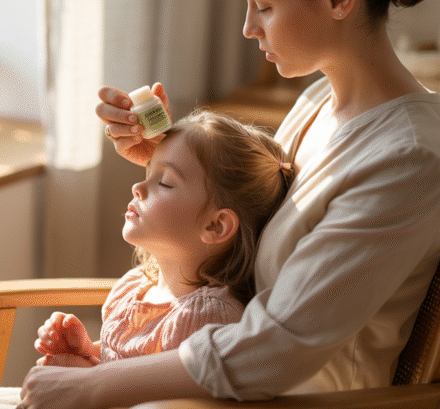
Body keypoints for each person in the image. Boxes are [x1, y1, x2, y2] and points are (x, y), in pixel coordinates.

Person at [0, 0, 440, 407]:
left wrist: (95, 386)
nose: (248, 28)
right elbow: (248, 216)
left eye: (262, 6)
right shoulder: (320, 105)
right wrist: (166, 161)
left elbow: (279, 348)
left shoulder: (406, 160)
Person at [34, 110, 293, 369]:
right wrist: (86, 352)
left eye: (166, 182)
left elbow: (167, 400)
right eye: (148, 173)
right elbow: (121, 371)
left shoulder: (207, 320)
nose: (138, 187)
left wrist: (84, 380)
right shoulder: (133, 287)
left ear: (216, 225)